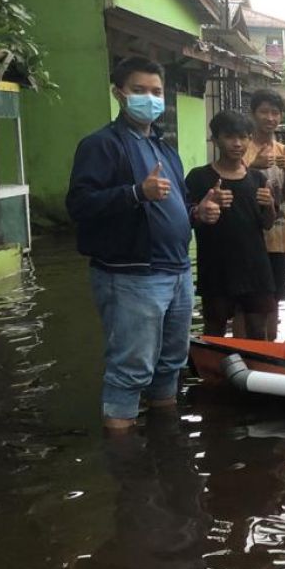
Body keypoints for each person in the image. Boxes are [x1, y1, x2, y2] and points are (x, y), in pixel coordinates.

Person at [66, 56, 221, 430]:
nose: (149, 98)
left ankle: (167, 442)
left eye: (156, 92)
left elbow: (173, 202)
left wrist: (198, 212)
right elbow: (79, 205)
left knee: (171, 363)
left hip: (177, 271)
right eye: (139, 91)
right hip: (131, 274)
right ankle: (125, 461)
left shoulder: (164, 149)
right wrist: (136, 192)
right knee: (131, 368)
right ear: (119, 93)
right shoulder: (102, 145)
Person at [186, 110, 276, 339]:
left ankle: (255, 373)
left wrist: (270, 205)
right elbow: (187, 221)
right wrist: (205, 207)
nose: (237, 143)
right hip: (217, 268)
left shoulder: (257, 178)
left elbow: (267, 224)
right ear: (215, 139)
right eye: (229, 137)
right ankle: (213, 375)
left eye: (243, 137)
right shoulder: (199, 178)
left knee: (258, 332)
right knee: (214, 330)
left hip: (255, 268)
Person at [243, 88, 285, 340]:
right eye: (264, 112)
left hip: (280, 236)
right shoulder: (242, 148)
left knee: (275, 297)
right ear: (253, 114)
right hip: (249, 237)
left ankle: (270, 345)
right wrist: (252, 166)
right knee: (246, 299)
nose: (270, 118)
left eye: (275, 113)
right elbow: (231, 181)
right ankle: (243, 348)